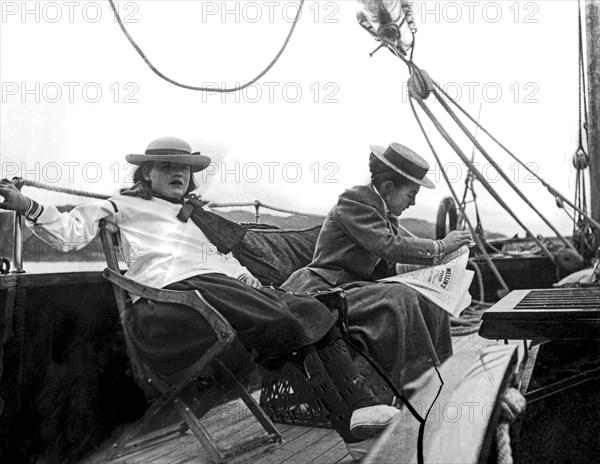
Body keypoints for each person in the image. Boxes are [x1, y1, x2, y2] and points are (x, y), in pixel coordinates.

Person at [0, 136, 400, 461]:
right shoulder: (122, 203)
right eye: (168, 167)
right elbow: (71, 231)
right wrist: (28, 205)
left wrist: (254, 284)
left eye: (184, 169)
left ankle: (356, 423)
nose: (179, 173)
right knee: (288, 319)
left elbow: (223, 265)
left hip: (213, 289)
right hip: (170, 305)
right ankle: (357, 414)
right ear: (146, 173)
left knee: (310, 308)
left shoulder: (194, 217)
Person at [282, 142, 472, 397]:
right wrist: (439, 247)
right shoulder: (355, 201)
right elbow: (385, 245)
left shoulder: (383, 214)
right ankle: (416, 389)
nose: (413, 203)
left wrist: (433, 267)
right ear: (388, 187)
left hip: (352, 289)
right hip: (322, 291)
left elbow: (384, 264)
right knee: (402, 299)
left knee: (431, 298)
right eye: (411, 194)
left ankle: (438, 378)